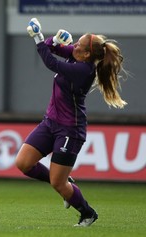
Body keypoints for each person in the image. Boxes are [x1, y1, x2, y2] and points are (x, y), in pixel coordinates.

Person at [17, 18, 127, 227]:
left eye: (79, 45)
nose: (74, 46)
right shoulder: (77, 55)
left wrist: (39, 39)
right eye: (76, 43)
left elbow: (50, 61)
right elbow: (51, 49)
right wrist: (54, 39)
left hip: (69, 130)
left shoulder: (84, 71)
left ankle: (87, 213)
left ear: (86, 54)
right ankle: (68, 185)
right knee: (23, 163)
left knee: (57, 183)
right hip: (50, 122)